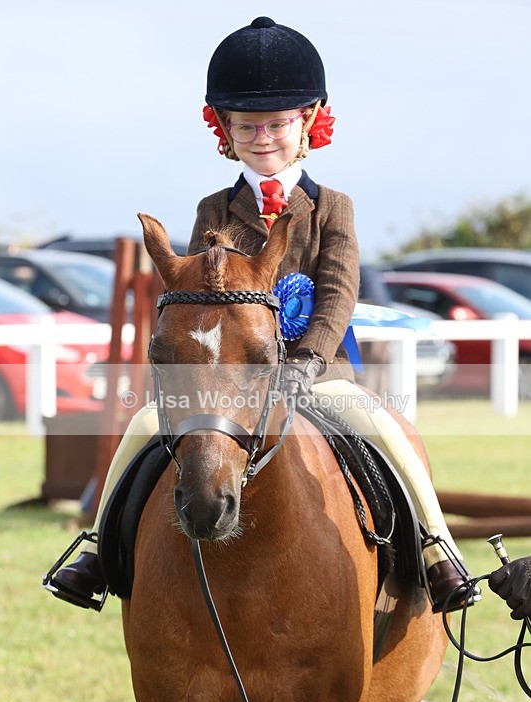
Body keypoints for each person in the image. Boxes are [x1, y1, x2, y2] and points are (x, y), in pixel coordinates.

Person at [49, 16, 478, 613]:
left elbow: (337, 293)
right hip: (231, 379)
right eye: (248, 125)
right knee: (143, 423)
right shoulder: (214, 209)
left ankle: (436, 548)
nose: (263, 137)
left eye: (277, 124)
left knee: (384, 428)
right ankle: (97, 549)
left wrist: (306, 363)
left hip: (316, 374)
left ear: (307, 122)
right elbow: (201, 297)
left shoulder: (332, 208)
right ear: (225, 129)